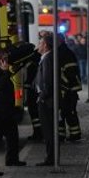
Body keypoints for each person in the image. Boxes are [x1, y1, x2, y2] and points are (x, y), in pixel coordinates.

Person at [0, 49, 25, 168]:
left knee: (12, 136)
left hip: (6, 109)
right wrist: (6, 71)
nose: (7, 62)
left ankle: (12, 159)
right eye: (6, 59)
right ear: (0, 59)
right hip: (0, 110)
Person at [34, 34, 58, 166]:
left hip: (47, 101)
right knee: (47, 130)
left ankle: (51, 158)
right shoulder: (45, 58)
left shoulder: (48, 59)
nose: (38, 45)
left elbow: (48, 81)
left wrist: (41, 97)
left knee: (49, 130)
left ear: (45, 45)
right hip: (45, 99)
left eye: (40, 43)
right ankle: (51, 157)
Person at [58, 35, 83, 142]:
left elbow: (70, 73)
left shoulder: (64, 54)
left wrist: (66, 87)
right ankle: (62, 134)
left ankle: (75, 134)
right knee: (64, 113)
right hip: (68, 90)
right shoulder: (64, 52)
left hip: (68, 90)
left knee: (69, 113)